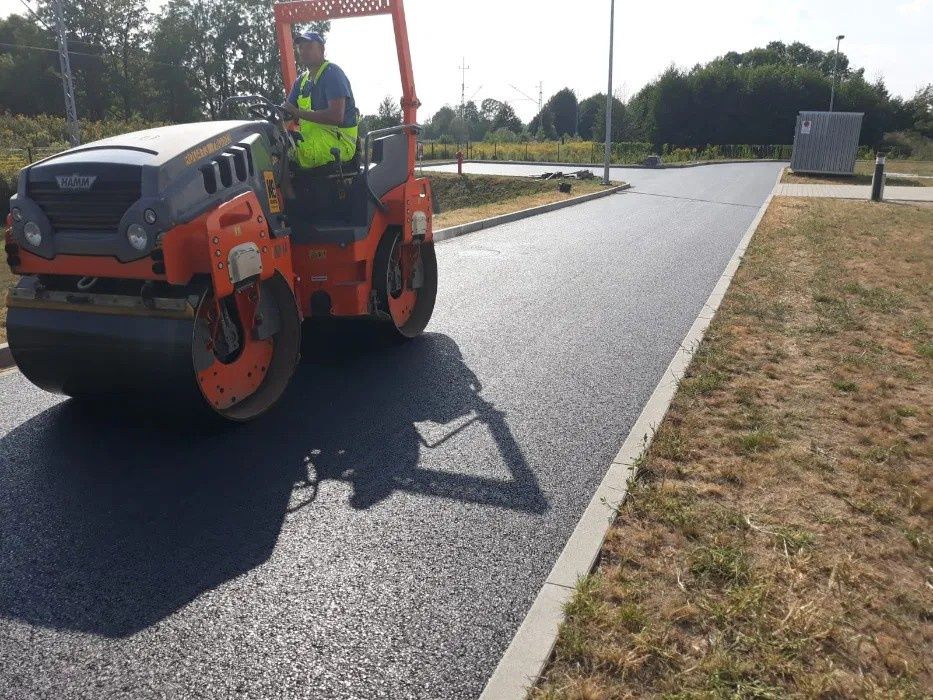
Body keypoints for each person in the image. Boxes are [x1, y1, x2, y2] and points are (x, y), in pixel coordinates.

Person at [281, 31, 359, 170]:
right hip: (313, 140)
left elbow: (336, 116)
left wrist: (297, 113)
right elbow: (287, 112)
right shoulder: (301, 81)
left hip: (338, 142)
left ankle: (288, 192)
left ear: (322, 49)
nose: (304, 51)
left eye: (309, 47)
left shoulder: (332, 73)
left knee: (286, 156)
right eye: (301, 48)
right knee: (271, 150)